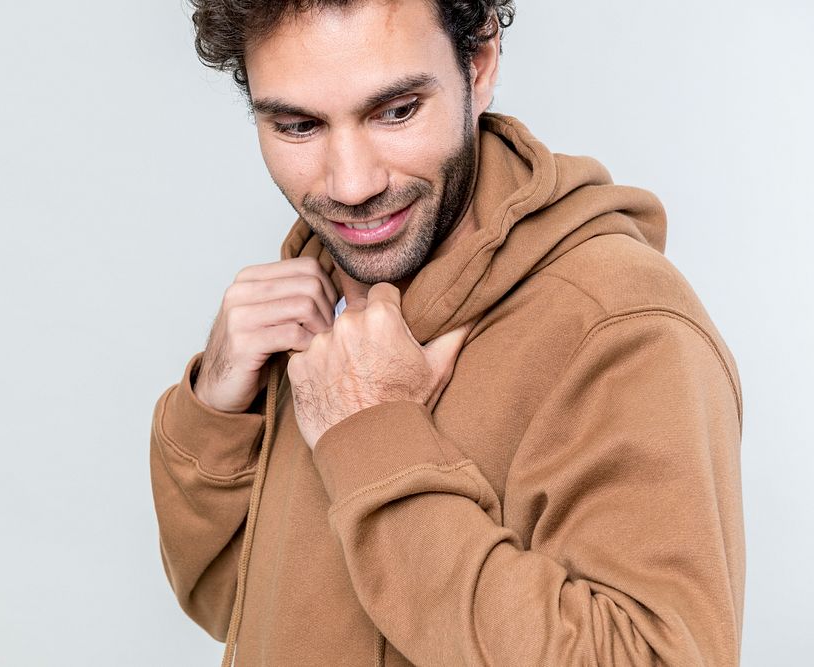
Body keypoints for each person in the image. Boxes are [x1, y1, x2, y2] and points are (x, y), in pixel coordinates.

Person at [150, 0, 745, 664]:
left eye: (396, 111)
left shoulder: (620, 325)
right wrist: (216, 408)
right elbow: (241, 603)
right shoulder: (322, 288)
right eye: (298, 125)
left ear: (480, 61)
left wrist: (376, 441)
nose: (351, 185)